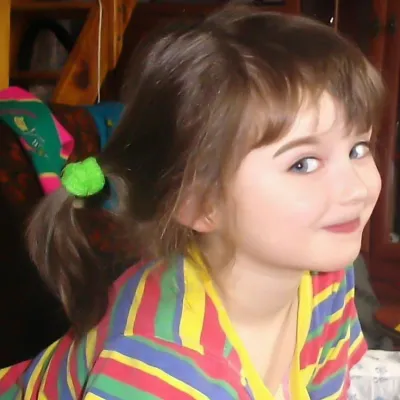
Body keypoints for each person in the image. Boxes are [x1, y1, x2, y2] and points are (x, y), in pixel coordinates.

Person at [0, 4, 384, 399]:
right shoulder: (160, 369)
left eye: (358, 149)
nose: (356, 188)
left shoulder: (322, 280)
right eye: (303, 164)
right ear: (199, 202)